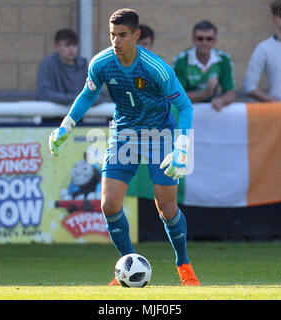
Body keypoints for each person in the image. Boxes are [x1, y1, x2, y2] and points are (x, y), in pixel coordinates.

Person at [49, 8, 200, 286]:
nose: (115, 41)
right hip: (123, 136)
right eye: (112, 35)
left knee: (166, 208)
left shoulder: (156, 68)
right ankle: (128, 270)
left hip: (159, 136)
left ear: (136, 36)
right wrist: (66, 125)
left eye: (122, 35)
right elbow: (87, 94)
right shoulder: (101, 63)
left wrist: (181, 146)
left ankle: (183, 264)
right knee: (109, 204)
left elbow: (184, 106)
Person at [173, 20, 236, 112]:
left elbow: (231, 93)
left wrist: (222, 101)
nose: (204, 42)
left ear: (215, 41)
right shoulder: (181, 60)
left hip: (211, 111)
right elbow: (177, 97)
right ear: (193, 40)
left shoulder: (224, 59)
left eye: (209, 39)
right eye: (200, 38)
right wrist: (206, 93)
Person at [37, 29, 106, 105]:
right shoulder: (47, 64)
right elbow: (44, 94)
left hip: (77, 115)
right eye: (67, 45)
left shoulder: (84, 66)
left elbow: (100, 95)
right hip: (52, 115)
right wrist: (78, 100)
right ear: (56, 47)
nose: (72, 49)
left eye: (74, 45)